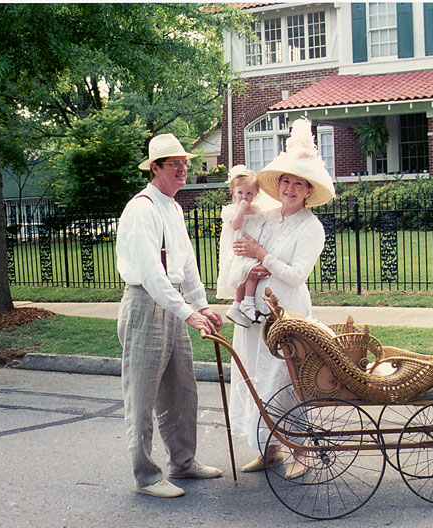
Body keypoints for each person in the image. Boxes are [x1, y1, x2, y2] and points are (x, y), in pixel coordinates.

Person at [116, 133, 224, 498]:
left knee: (182, 387)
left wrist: (201, 303)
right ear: (156, 168)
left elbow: (185, 263)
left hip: (173, 301)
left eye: (185, 162)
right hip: (146, 304)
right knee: (143, 393)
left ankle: (183, 461)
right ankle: (145, 476)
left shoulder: (174, 208)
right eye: (174, 163)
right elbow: (150, 273)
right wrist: (187, 312)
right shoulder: (142, 209)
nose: (183, 169)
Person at [228, 118, 335, 479]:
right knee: (258, 378)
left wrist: (261, 255)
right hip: (256, 312)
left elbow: (295, 273)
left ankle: (301, 449)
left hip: (288, 312)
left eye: (298, 183)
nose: (290, 187)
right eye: (286, 181)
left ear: (308, 190)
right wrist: (249, 266)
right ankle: (269, 448)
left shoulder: (311, 227)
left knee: (287, 380)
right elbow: (238, 249)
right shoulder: (266, 217)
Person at [215, 165, 269, 328]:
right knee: (247, 275)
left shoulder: (257, 210)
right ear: (233, 192)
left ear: (256, 194)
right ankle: (245, 304)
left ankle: (239, 306)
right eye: (240, 193)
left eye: (249, 193)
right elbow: (236, 226)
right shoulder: (231, 210)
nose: (244, 197)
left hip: (251, 250)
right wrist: (241, 210)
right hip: (239, 252)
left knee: (252, 274)